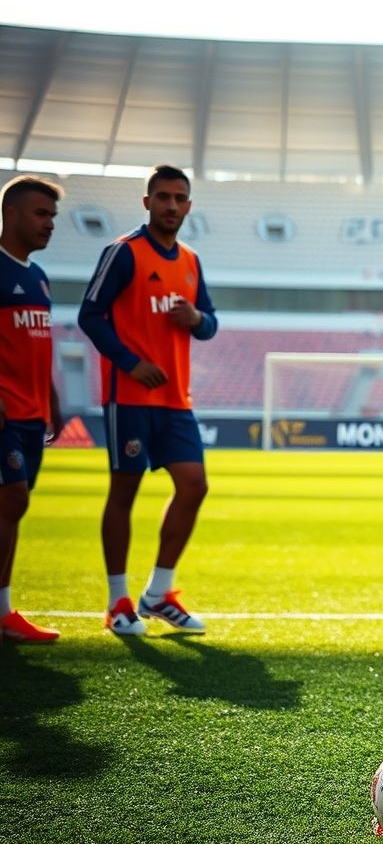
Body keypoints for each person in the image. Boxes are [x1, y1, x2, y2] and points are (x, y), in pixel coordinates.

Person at [78, 165, 217, 636]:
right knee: (125, 491)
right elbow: (90, 314)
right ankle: (117, 601)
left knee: (194, 486)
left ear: (189, 206)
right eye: (163, 197)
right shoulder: (122, 253)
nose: (171, 206)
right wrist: (130, 362)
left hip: (176, 398)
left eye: (179, 198)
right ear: (147, 202)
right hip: (130, 396)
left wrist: (195, 316)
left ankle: (159, 594)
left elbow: (211, 324)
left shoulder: (191, 261)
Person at [0, 176, 64, 643]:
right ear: (12, 213)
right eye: (41, 214)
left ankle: (3, 611)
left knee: (12, 509)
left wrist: (53, 399)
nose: (49, 224)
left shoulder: (37, 276)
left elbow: (35, 343)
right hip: (4, 413)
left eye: (53, 217)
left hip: (31, 412)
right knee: (11, 501)